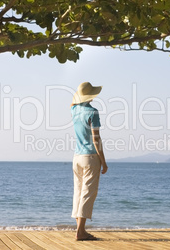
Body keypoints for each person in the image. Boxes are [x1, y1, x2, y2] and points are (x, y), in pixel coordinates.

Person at [70, 82, 108, 241]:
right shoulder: (93, 112)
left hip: (77, 158)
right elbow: (96, 139)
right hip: (91, 157)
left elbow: (72, 103)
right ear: (91, 96)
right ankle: (81, 232)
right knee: (87, 193)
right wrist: (103, 161)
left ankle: (80, 229)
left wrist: (77, 98)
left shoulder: (73, 110)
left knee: (78, 193)